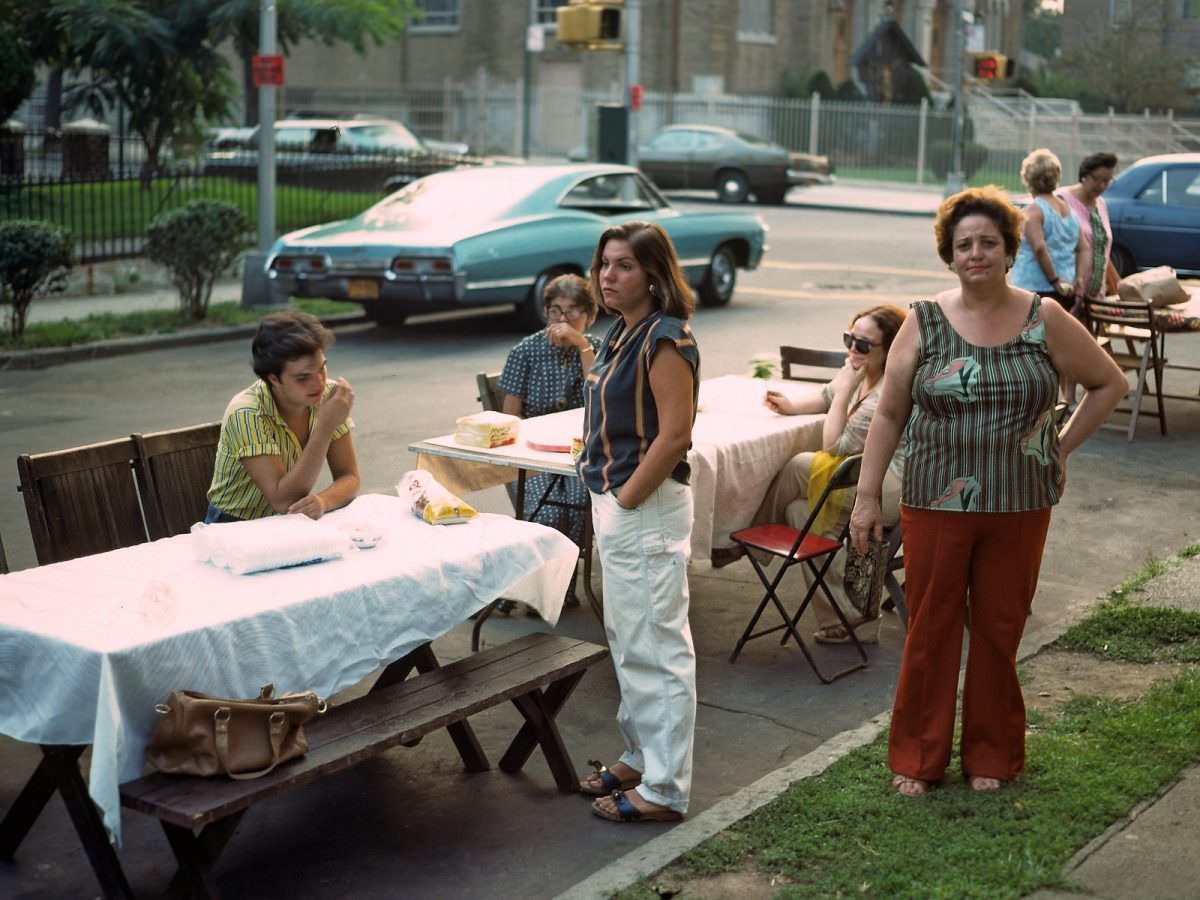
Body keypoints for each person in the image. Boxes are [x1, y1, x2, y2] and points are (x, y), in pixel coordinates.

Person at [848, 186, 1126, 798]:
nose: (976, 253)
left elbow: (1109, 383)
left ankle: (991, 757)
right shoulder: (922, 321)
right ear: (949, 254)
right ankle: (918, 760)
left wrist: (1056, 445)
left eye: (989, 243)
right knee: (930, 628)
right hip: (933, 500)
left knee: (1000, 631)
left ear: (1008, 251)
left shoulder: (1044, 317)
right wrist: (867, 497)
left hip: (1021, 504)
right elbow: (890, 413)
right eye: (964, 244)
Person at [576, 221, 700, 824]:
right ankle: (640, 755)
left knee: (657, 647)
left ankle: (666, 788)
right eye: (603, 264)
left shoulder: (665, 340)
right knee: (629, 642)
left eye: (623, 265)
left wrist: (625, 500)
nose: (607, 276)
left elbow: (674, 434)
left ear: (653, 275)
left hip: (643, 508)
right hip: (620, 502)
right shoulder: (619, 334)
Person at [722, 305, 907, 646]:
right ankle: (851, 619)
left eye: (864, 345)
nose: (853, 349)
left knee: (798, 465)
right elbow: (825, 396)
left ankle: (745, 544)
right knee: (798, 514)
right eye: (849, 339)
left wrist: (846, 389)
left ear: (889, 349)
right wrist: (791, 406)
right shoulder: (857, 369)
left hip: (887, 487)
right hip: (856, 477)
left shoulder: (881, 393)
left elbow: (834, 444)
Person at [206, 309, 359, 522]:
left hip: (290, 522)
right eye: (303, 377)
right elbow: (282, 501)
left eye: (322, 368)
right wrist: (325, 427)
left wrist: (323, 501)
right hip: (235, 524)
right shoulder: (247, 412)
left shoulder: (327, 396)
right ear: (274, 379)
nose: (319, 383)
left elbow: (349, 477)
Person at [498, 274, 601, 545]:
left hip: (582, 451)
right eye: (556, 311)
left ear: (589, 316)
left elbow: (601, 394)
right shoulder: (525, 351)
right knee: (550, 514)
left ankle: (565, 574)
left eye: (573, 312)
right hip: (534, 455)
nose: (563, 321)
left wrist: (582, 345)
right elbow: (510, 417)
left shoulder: (596, 348)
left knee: (583, 504)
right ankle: (552, 578)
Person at [1010, 148, 1084, 310]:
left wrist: (1054, 280)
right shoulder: (1068, 210)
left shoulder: (1034, 211)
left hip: (1036, 287)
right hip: (1067, 287)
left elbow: (1039, 248)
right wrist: (1079, 279)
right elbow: (1083, 248)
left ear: (1028, 178)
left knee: (1032, 334)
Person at [1060, 151, 1119, 311]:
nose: (1101, 186)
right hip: (1068, 291)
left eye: (1106, 181)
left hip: (1094, 296)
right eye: (1096, 179)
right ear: (1084, 174)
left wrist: (1117, 284)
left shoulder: (1101, 204)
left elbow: (1101, 249)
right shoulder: (1062, 200)